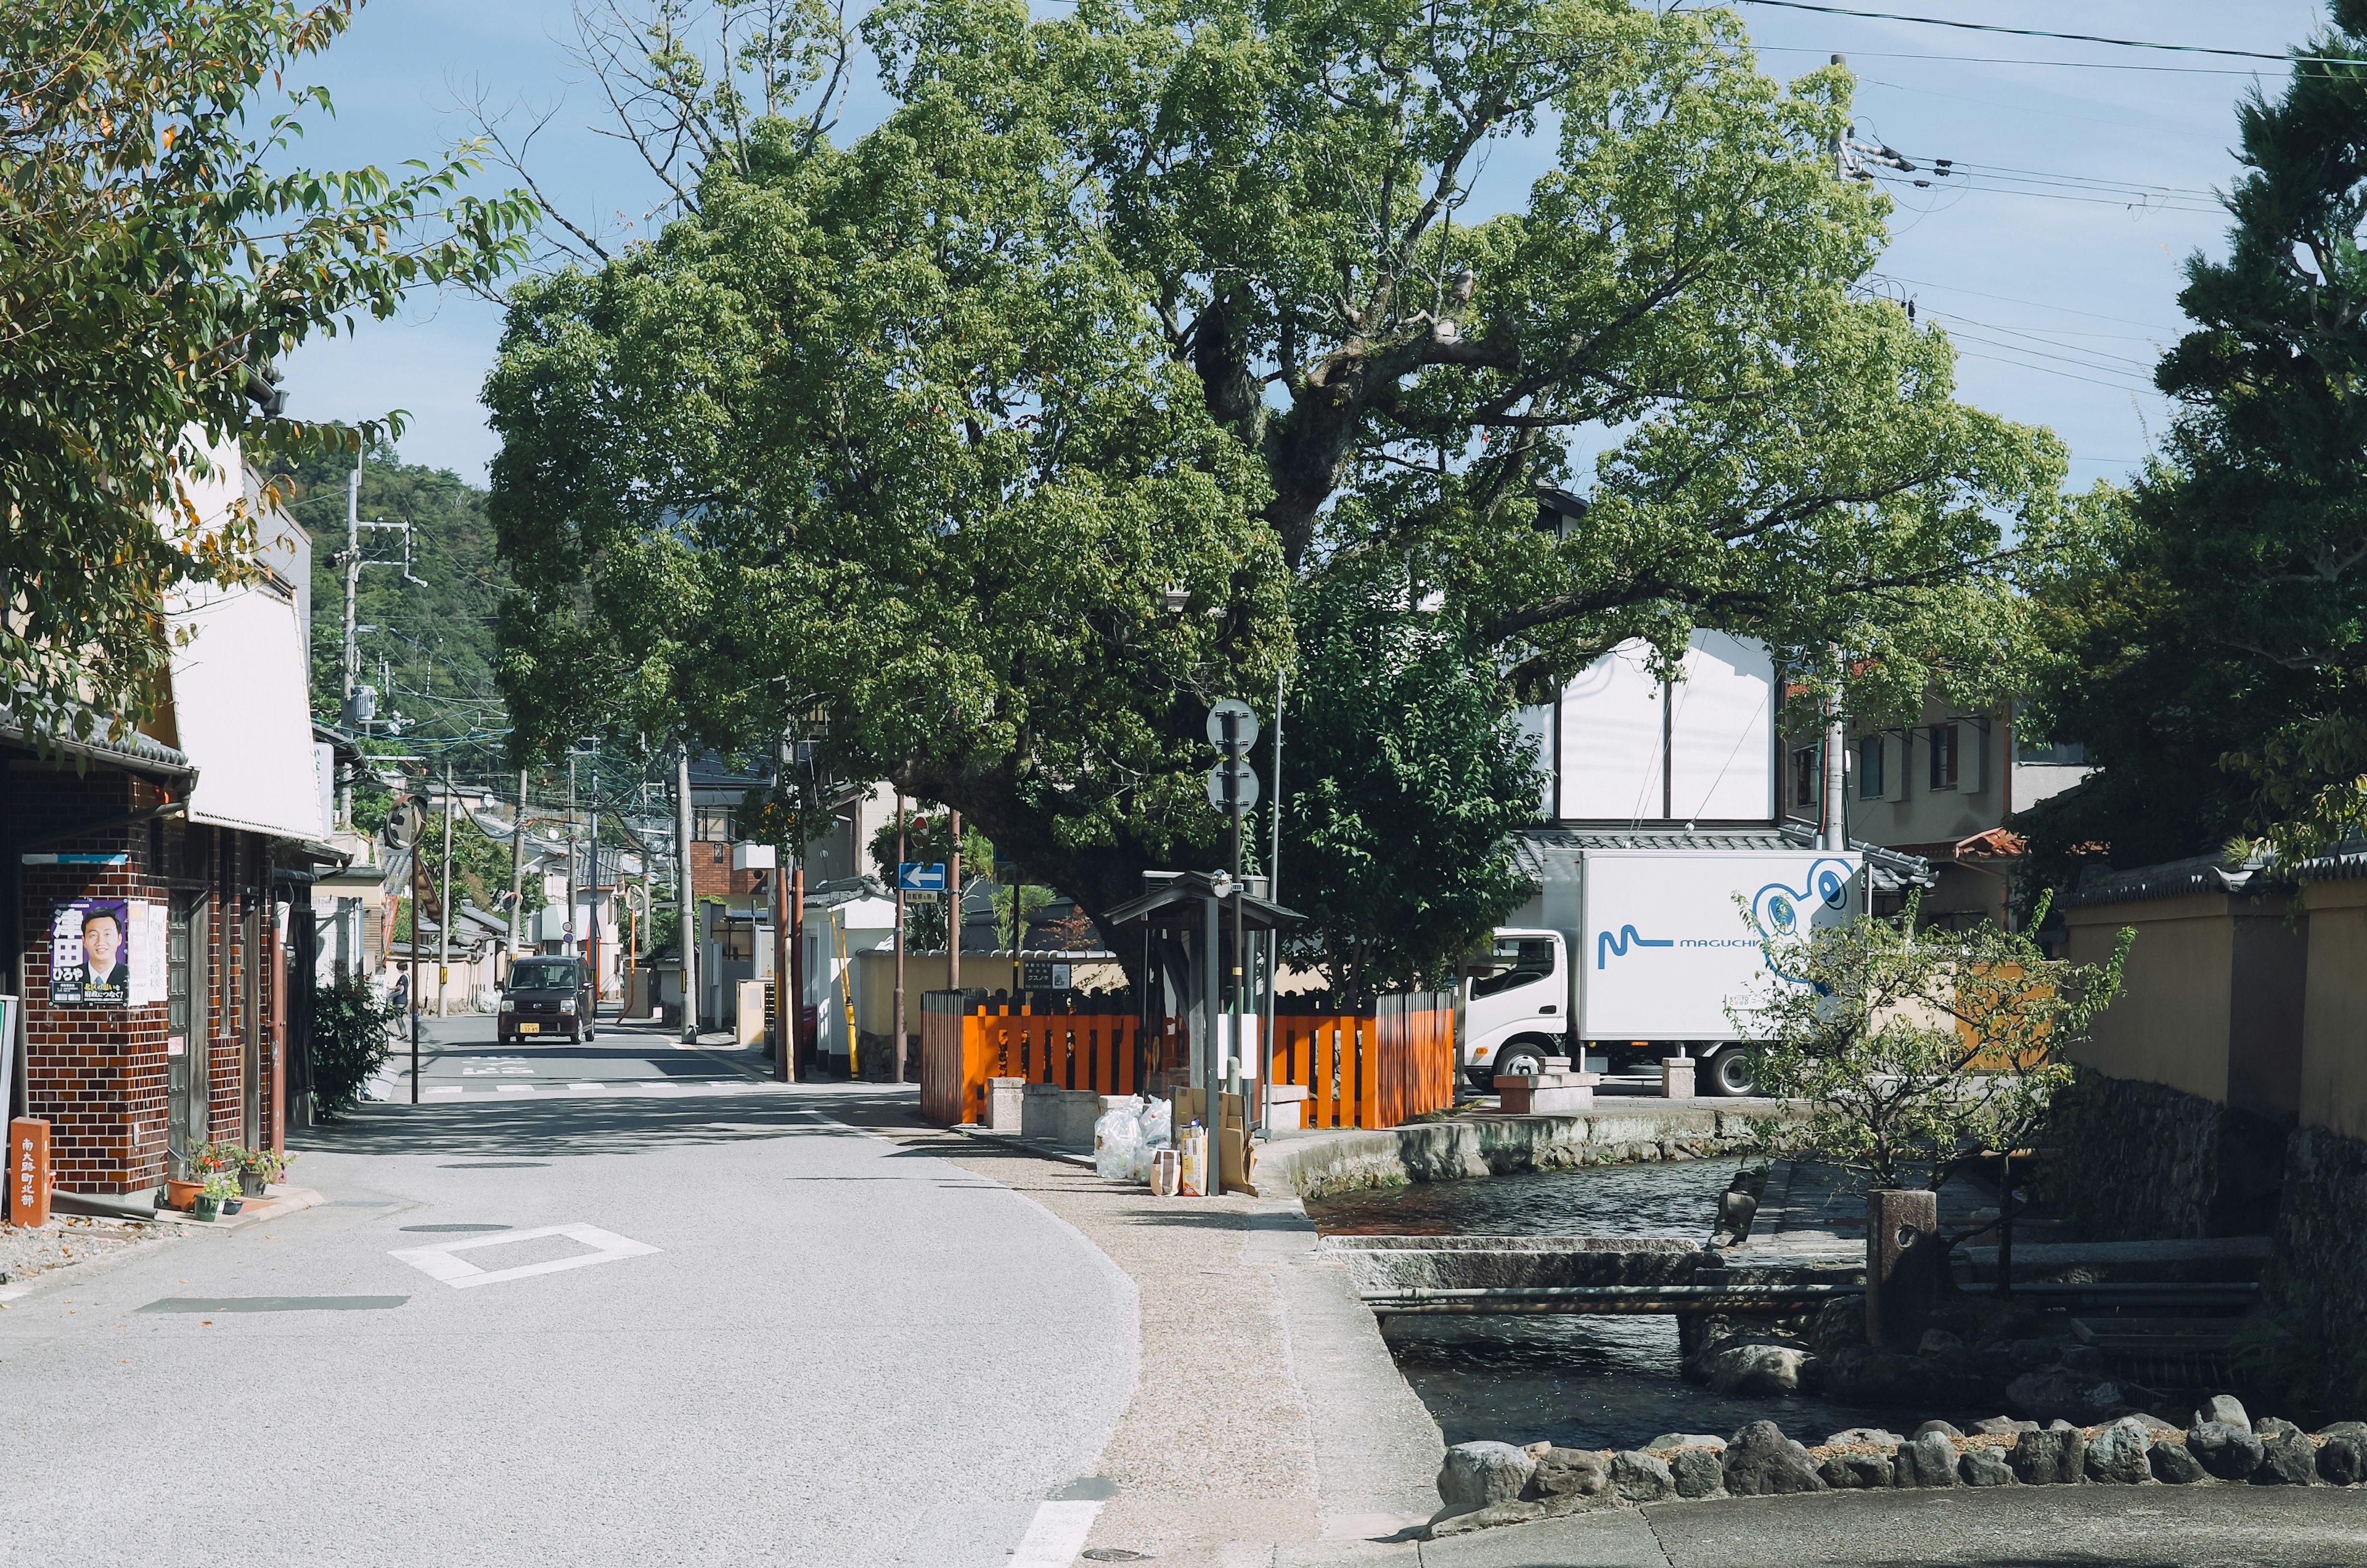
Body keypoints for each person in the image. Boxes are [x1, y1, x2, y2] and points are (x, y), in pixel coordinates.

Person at [80, 907, 128, 997]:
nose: (101, 942)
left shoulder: (129, 977)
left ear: (119, 939)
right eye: (94, 935)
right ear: (84, 941)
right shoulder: (70, 977)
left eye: (107, 934)